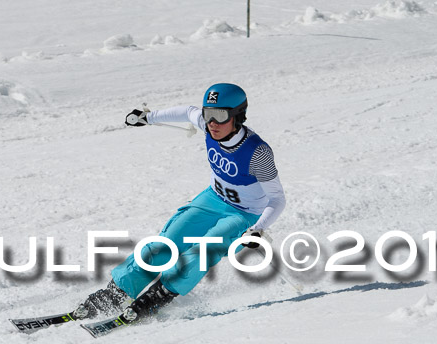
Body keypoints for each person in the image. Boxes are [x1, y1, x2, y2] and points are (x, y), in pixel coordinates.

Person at [73, 83, 286, 324]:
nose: (212, 123)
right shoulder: (208, 125)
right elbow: (188, 111)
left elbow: (278, 198)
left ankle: (159, 295)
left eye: (220, 115)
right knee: (164, 244)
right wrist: (148, 118)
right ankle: (116, 293)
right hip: (212, 199)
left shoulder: (257, 153)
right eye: (208, 115)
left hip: (244, 215)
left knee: (203, 250)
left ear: (238, 116)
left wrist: (258, 228)